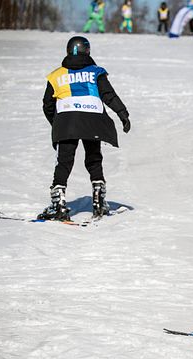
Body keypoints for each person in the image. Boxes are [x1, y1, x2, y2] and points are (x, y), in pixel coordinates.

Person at [40, 36, 131, 221]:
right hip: (93, 119)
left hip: (67, 120)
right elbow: (109, 95)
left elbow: (47, 104)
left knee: (64, 161)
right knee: (94, 158)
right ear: (87, 51)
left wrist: (56, 123)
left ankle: (58, 204)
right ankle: (99, 199)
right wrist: (123, 114)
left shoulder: (56, 75)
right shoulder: (96, 72)